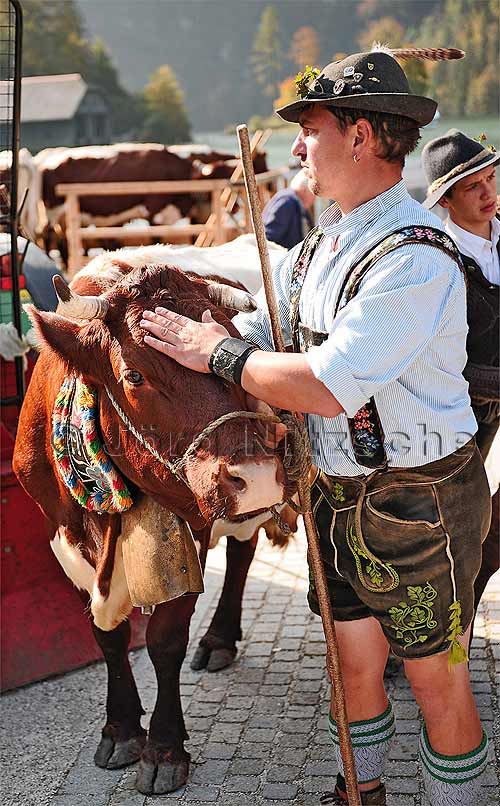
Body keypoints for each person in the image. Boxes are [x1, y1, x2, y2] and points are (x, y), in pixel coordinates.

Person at [140, 48, 492, 806]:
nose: (297, 147)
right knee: (351, 663)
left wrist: (221, 353)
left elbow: (327, 384)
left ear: (361, 136)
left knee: (436, 681)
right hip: (335, 495)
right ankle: (359, 794)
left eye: (310, 129)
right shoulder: (319, 245)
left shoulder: (415, 255)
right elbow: (271, 326)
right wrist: (171, 303)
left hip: (416, 503)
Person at [422, 129, 500, 618]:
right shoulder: (434, 258)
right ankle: (418, 626)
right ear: (447, 199)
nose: (490, 193)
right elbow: (436, 353)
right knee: (447, 515)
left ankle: (465, 606)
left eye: (492, 179)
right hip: (459, 404)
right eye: (474, 186)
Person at [263, 167, 315, 249]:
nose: (315, 199)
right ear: (304, 190)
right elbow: (269, 238)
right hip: (283, 256)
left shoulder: (297, 203)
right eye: (314, 194)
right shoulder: (286, 203)